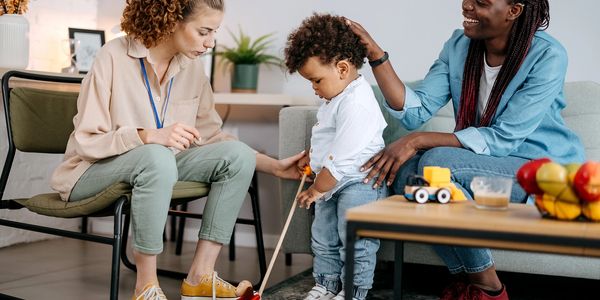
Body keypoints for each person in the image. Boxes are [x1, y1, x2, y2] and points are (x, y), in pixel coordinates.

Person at [50, 1, 306, 299]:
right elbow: (87, 140)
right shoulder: (113, 56)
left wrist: (274, 166)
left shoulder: (192, 69)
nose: (210, 43)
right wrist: (148, 135)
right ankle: (145, 285)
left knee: (235, 156)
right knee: (157, 155)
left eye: (214, 33)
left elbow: (213, 137)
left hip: (158, 166)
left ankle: (200, 277)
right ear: (171, 21)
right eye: (204, 31)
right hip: (92, 170)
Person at [346, 0, 584, 299]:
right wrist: (377, 56)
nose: (467, 6)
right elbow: (415, 111)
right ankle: (479, 282)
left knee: (438, 164)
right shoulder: (459, 45)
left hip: (541, 173)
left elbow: (503, 137)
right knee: (408, 173)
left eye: (481, 2)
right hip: (486, 174)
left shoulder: (547, 55)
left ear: (514, 10)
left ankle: (486, 289)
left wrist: (416, 140)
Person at [284, 13, 389, 300]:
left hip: (358, 182)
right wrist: (313, 159)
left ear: (342, 68)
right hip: (330, 182)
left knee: (355, 239)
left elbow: (344, 155)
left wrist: (318, 187)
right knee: (324, 237)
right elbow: (328, 138)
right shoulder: (336, 98)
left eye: (316, 80)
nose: (314, 88)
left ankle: (353, 291)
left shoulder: (357, 101)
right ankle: (326, 284)